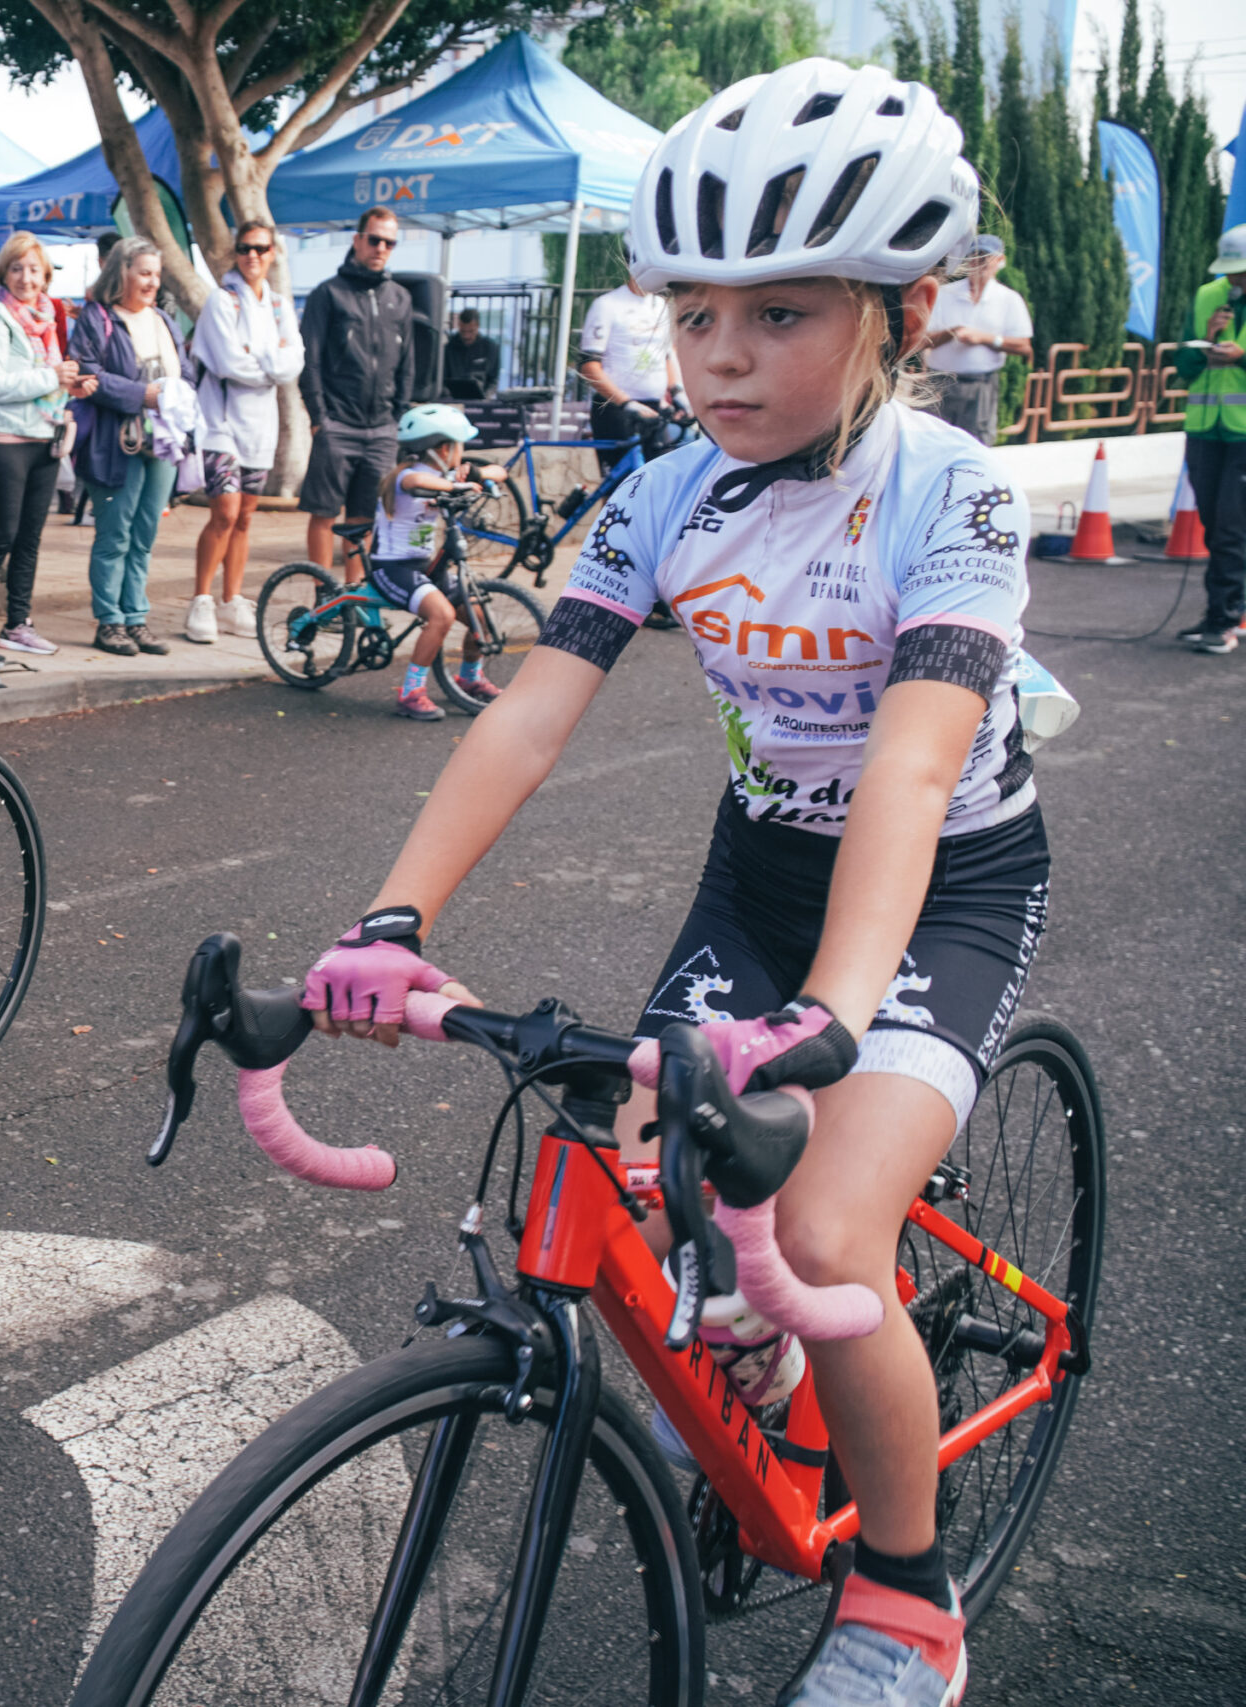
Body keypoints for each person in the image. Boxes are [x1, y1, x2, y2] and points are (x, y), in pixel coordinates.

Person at [303, 62, 1029, 1707]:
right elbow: (531, 715)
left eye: (778, 314)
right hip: (761, 872)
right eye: (693, 314)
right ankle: (768, 1334)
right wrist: (393, 917)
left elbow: (914, 770)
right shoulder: (661, 493)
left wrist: (837, 1020)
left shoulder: (953, 488)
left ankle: (910, 1603)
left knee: (834, 1234)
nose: (718, 356)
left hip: (944, 888)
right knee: (641, 1157)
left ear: (904, 311)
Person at [0, 232, 89, 656]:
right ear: (4, 273)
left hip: (45, 436)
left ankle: (18, 623)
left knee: (30, 538)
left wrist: (73, 385)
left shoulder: (48, 318)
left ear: (46, 275)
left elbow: (49, 377)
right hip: (3, 439)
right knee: (1, 535)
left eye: (33, 269)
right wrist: (53, 377)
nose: (25, 277)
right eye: (16, 268)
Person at [185, 221, 304, 644]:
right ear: (235, 253)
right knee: (225, 512)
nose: (252, 255)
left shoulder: (278, 306)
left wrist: (264, 358)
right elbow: (229, 363)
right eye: (244, 248)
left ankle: (231, 598)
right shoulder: (222, 301)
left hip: (260, 427)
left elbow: (296, 362)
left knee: (246, 516)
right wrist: (272, 362)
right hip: (219, 422)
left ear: (272, 253)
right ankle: (201, 598)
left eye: (261, 248)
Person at [70, 237, 190, 656]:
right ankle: (109, 621)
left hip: (163, 444)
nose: (151, 282)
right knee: (114, 534)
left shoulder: (164, 320)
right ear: (121, 273)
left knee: (145, 534)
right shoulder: (97, 317)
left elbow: (186, 372)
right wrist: (144, 395)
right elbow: (88, 373)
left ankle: (135, 616)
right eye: (143, 272)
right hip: (114, 442)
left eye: (156, 275)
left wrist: (179, 396)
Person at [299, 207, 421, 579]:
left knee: (364, 519)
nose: (381, 247)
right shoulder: (328, 294)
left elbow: (407, 365)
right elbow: (311, 361)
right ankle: (324, 598)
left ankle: (352, 598)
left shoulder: (399, 298)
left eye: (389, 242)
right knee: (324, 515)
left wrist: (396, 420)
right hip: (337, 425)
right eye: (374, 239)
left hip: (381, 429)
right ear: (357, 240)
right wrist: (320, 419)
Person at [366, 405, 506, 719]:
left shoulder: (445, 473)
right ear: (444, 448)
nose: (462, 452)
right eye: (460, 446)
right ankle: (410, 693)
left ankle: (470, 679)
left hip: (424, 567)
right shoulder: (407, 475)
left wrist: (475, 474)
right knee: (441, 616)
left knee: (478, 613)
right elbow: (415, 481)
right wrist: (454, 485)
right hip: (392, 568)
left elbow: (501, 472)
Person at [1171, 224, 1246, 654]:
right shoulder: (1206, 296)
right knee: (1215, 524)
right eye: (1230, 272)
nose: (1234, 281)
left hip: (1242, 433)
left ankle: (1222, 619)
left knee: (1231, 526)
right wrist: (1209, 342)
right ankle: (1225, 611)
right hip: (1203, 428)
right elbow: (1183, 363)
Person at [920, 234, 1032, 448]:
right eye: (974, 257)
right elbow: (919, 342)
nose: (978, 264)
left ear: (999, 262)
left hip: (981, 385)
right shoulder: (944, 294)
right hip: (939, 383)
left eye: (985, 258)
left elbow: (1023, 347)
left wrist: (985, 339)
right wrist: (952, 333)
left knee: (976, 446)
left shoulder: (1008, 299)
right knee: (931, 443)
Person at [580, 270, 684, 461]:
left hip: (653, 408)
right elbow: (589, 366)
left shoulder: (661, 305)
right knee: (622, 486)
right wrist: (626, 403)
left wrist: (678, 392)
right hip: (616, 410)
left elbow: (668, 355)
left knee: (659, 482)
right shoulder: (607, 305)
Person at [443, 307, 502, 400]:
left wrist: (486, 398)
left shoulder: (490, 347)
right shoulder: (449, 347)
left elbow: (493, 379)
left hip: (481, 400)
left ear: (477, 326)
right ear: (459, 325)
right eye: (463, 331)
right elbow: (443, 377)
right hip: (453, 399)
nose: (466, 336)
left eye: (471, 331)